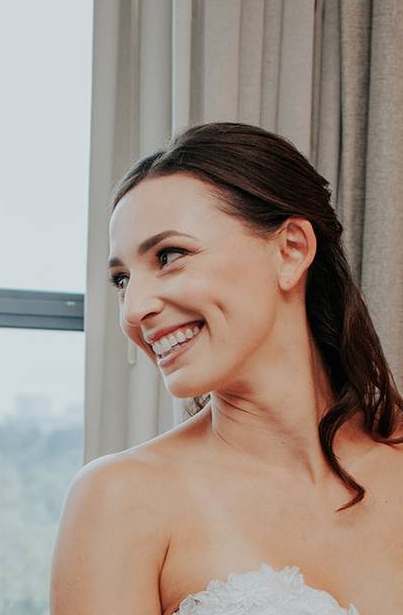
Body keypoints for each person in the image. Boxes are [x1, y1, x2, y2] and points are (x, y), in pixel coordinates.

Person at [50, 123, 403, 614]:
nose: (134, 309)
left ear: (291, 250)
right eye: (122, 280)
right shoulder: (120, 500)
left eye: (169, 256)